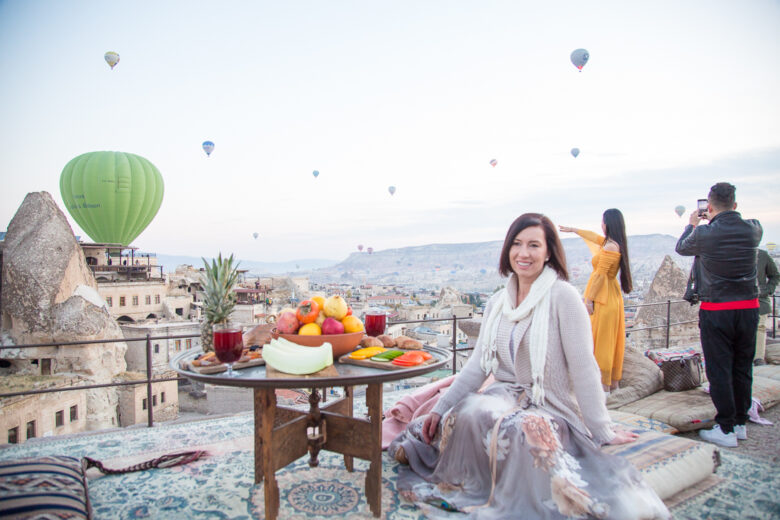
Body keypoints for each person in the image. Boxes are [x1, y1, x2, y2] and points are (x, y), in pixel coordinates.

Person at [389, 213, 669, 519]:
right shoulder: (498, 303)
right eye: (517, 244)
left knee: (523, 430)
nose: (524, 253)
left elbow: (584, 368)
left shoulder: (564, 297)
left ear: (549, 251)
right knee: (466, 413)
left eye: (534, 245)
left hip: (547, 403)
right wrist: (440, 408)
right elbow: (477, 367)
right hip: (502, 395)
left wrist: (601, 429)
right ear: (508, 249)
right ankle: (464, 482)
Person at [675, 182, 762, 448]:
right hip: (749, 308)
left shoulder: (704, 234)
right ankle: (738, 423)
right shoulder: (754, 229)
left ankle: (725, 429)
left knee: (720, 369)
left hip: (717, 310)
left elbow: (682, 247)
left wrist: (692, 224)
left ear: (709, 207)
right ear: (735, 205)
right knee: (742, 366)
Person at [559, 210, 633, 393]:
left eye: (603, 222)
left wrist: (589, 299)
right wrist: (575, 230)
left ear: (609, 224)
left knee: (602, 341)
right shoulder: (612, 243)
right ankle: (609, 384)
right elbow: (594, 238)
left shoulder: (610, 247)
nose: (601, 225)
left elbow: (600, 275)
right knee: (603, 339)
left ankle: (603, 386)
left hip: (603, 297)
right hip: (609, 294)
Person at [755, 248, 779, 365]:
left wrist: (767, 290)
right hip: (738, 300)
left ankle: (758, 357)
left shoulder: (762, 255)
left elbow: (775, 275)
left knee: (760, 327)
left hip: (760, 300)